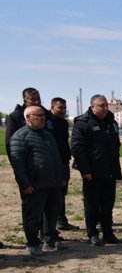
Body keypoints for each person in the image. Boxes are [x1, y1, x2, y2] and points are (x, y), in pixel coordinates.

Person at [8, 106, 66, 256]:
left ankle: (49, 239)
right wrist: (25, 184)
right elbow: (18, 164)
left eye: (43, 115)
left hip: (53, 183)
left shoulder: (48, 135)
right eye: (38, 115)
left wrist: (61, 178)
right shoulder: (20, 137)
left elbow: (56, 158)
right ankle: (32, 243)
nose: (42, 118)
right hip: (35, 185)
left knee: (52, 214)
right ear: (28, 118)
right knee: (32, 215)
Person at [72, 94, 122, 246]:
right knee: (92, 205)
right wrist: (85, 170)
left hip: (109, 171)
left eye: (106, 105)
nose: (105, 108)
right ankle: (92, 233)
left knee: (108, 205)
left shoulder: (111, 123)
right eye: (101, 105)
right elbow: (77, 149)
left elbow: (116, 146)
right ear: (93, 106)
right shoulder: (83, 123)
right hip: (92, 173)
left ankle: (108, 233)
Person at [49, 97, 77, 231]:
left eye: (64, 108)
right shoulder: (47, 122)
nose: (63, 110)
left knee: (61, 193)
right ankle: (49, 226)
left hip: (63, 163)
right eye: (60, 108)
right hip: (51, 164)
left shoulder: (64, 123)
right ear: (52, 107)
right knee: (52, 195)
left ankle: (61, 220)